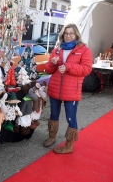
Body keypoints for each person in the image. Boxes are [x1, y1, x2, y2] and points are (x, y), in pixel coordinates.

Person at [43, 23, 93, 154]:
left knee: (71, 118)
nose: (68, 36)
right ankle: (52, 137)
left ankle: (69, 145)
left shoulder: (84, 50)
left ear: (76, 35)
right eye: (66, 33)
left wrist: (68, 67)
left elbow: (87, 69)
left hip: (71, 90)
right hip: (55, 88)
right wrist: (52, 63)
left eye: (71, 33)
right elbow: (48, 70)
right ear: (62, 35)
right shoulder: (57, 49)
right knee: (53, 114)